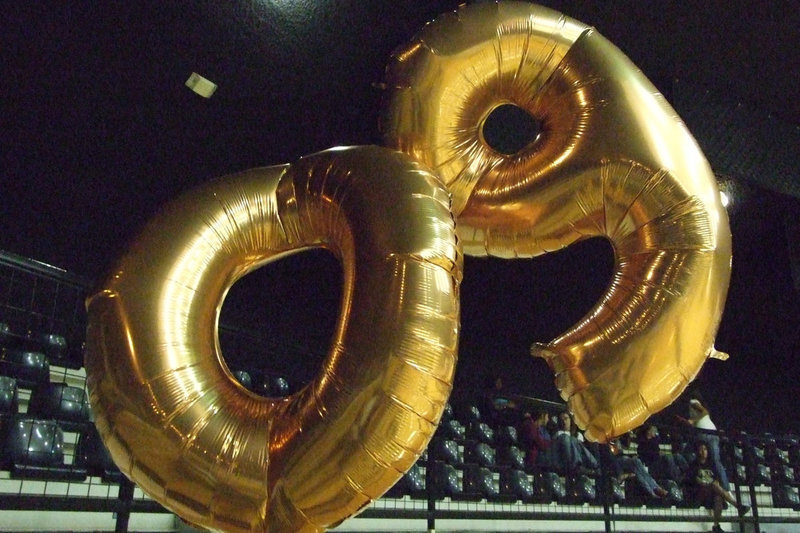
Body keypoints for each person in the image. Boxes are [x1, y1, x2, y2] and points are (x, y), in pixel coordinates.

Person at [686, 440, 749, 533]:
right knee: (714, 486)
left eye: (705, 449)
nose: (703, 452)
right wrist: (705, 483)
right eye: (701, 449)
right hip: (699, 494)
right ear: (697, 451)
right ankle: (737, 505)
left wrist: (714, 483)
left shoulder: (712, 465)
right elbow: (693, 481)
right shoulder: (694, 465)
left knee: (718, 496)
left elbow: (716, 479)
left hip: (710, 493)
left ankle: (716, 526)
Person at [675, 394, 731, 492]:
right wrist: (684, 421)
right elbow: (694, 423)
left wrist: (693, 421)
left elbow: (705, 412)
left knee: (714, 461)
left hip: (707, 433)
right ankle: (699, 468)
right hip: (703, 434)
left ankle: (725, 488)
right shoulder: (691, 409)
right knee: (690, 453)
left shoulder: (693, 402)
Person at [601, 436, 669, 499]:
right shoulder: (606, 444)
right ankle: (655, 489)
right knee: (636, 462)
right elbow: (613, 463)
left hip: (626, 461)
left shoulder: (617, 439)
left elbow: (626, 445)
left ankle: (652, 491)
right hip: (617, 461)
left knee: (637, 470)